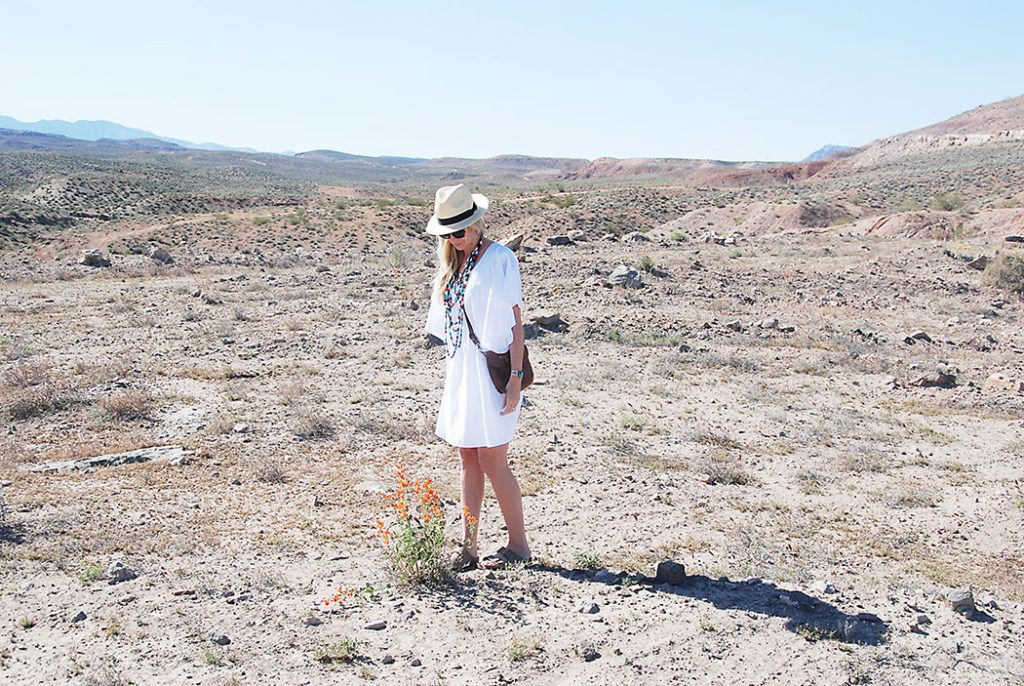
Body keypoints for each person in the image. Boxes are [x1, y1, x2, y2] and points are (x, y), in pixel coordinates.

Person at [423, 184, 532, 572]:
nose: (457, 238)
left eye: (462, 230)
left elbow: (517, 326)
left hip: (493, 370)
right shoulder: (450, 268)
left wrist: (515, 379)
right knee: (468, 457)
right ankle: (468, 548)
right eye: (449, 233)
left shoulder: (500, 259)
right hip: (462, 370)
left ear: (477, 223)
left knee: (493, 459)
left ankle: (518, 545)